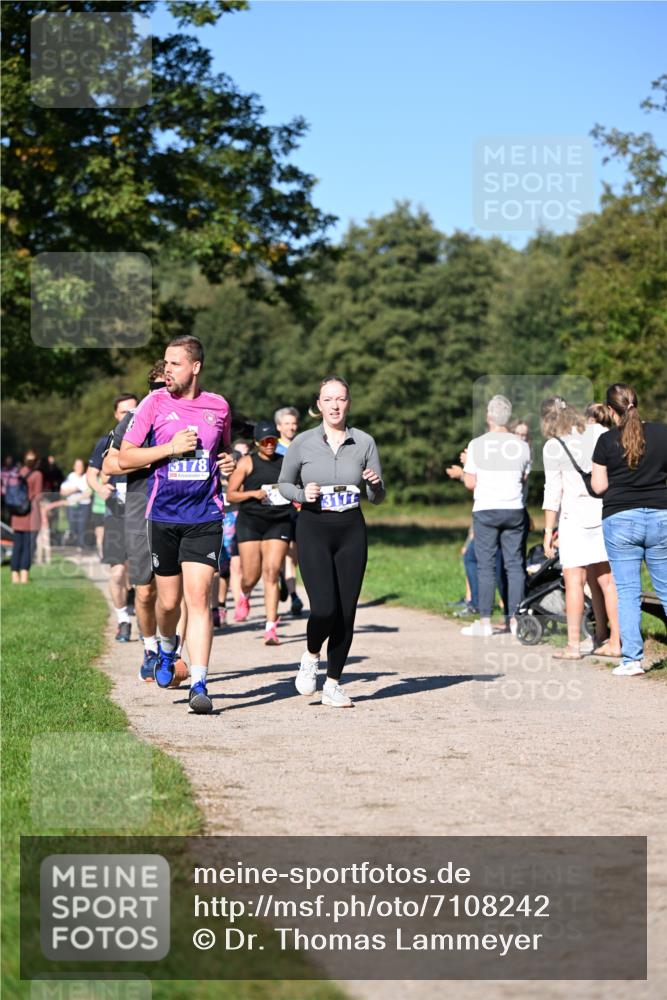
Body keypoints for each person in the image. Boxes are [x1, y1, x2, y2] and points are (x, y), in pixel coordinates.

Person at [118, 335, 233, 713]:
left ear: (195, 367)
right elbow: (125, 458)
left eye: (175, 363)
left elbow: (221, 449)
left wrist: (228, 461)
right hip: (163, 516)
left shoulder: (218, 406)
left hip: (205, 516)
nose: (167, 369)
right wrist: (170, 448)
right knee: (168, 603)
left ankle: (199, 683)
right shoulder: (153, 403)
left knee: (198, 599)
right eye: (165, 363)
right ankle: (167, 648)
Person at [278, 375, 385, 707]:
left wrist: (374, 484)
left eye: (340, 399)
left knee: (346, 611)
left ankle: (334, 684)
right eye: (328, 399)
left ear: (348, 403)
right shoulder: (303, 442)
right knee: (325, 608)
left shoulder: (364, 442)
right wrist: (302, 494)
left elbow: (378, 497)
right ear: (319, 405)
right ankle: (311, 656)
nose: (335, 405)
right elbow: (284, 484)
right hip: (314, 527)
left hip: (351, 529)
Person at [591, 383, 667, 677]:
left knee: (627, 592)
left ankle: (632, 660)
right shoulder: (662, 433)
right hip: (661, 516)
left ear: (611, 410)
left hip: (621, 519)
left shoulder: (606, 441)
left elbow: (599, 486)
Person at [103, 364, 171, 680]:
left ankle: (172, 653)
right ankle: (149, 647)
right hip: (141, 509)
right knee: (145, 592)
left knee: (180, 594)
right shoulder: (134, 419)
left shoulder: (193, 414)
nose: (163, 391)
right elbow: (110, 465)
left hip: (182, 511)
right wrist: (157, 454)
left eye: (168, 385)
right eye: (157, 386)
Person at [541, 396, 620, 659]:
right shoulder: (596, 433)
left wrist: (548, 531)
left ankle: (573, 646)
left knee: (574, 581)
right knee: (607, 581)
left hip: (573, 519)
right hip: (603, 513)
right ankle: (615, 641)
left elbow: (553, 491)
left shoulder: (553, 446)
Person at [461, 395, 530, 637]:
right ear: (508, 418)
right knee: (515, 565)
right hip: (514, 509)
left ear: (489, 416)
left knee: (486, 565)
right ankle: (515, 620)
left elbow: (470, 483)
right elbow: (524, 478)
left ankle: (486, 623)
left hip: (486, 509)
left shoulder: (477, 445)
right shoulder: (522, 446)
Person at [226, 419, 294, 644]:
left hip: (279, 521)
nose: (270, 444)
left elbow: (297, 487)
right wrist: (252, 494)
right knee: (250, 576)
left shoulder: (285, 462)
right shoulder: (247, 462)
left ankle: (270, 628)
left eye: (273, 440)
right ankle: (244, 594)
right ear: (256, 443)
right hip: (251, 522)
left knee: (272, 572)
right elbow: (231, 495)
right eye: (265, 441)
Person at [88, 394, 138, 642]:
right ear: (116, 415)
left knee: (144, 576)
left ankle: (150, 626)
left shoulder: (148, 439)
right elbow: (91, 474)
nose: (129, 416)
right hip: (116, 514)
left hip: (143, 515)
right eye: (124, 412)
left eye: (134, 411)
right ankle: (123, 619)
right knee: (118, 572)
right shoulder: (106, 440)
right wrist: (100, 488)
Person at [274, 405, 304, 617]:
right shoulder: (272, 448)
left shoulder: (304, 445)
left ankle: (286, 582)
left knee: (294, 554)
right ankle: (293, 594)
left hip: (300, 505)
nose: (291, 427)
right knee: (284, 552)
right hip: (278, 508)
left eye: (294, 423)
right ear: (278, 426)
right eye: (287, 423)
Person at [9, 450, 43, 583]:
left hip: (16, 514)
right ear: (36, 461)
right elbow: (37, 496)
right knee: (28, 547)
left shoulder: (17, 472)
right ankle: (24, 577)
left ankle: (14, 576)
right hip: (30, 515)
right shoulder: (37, 474)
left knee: (17, 546)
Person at [60, 459, 92, 551]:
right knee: (72, 526)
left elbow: (89, 493)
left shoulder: (87, 477)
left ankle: (80, 546)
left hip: (84, 505)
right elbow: (62, 492)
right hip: (72, 505)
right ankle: (72, 544)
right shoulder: (70, 477)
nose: (79, 468)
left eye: (81, 466)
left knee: (82, 526)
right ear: (74, 467)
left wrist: (76, 497)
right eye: (77, 466)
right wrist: (74, 490)